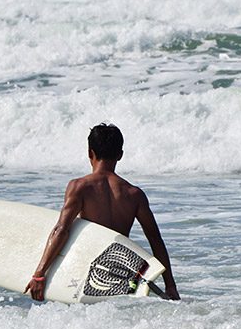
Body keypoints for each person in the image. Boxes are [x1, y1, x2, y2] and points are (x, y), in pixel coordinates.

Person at [24, 123, 180, 301]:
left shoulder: (80, 187)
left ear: (90, 152)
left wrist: (39, 274)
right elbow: (155, 240)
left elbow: (61, 230)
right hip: (119, 273)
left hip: (86, 273)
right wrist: (170, 285)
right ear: (120, 155)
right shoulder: (134, 194)